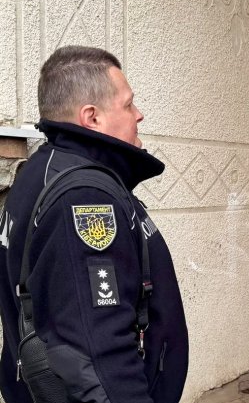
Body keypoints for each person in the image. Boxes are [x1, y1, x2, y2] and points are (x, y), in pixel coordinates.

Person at [0, 46, 189, 402]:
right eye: (128, 104)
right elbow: (99, 358)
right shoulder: (84, 199)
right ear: (92, 118)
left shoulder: (39, 172)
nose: (139, 114)